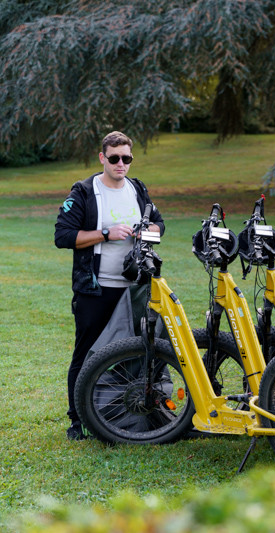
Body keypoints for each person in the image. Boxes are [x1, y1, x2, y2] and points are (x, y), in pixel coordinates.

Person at [55, 131, 165, 440]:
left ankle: (121, 416)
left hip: (136, 288)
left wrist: (148, 230)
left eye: (126, 158)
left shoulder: (137, 189)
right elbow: (63, 236)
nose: (121, 164)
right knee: (87, 354)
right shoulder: (85, 192)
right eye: (114, 158)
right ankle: (77, 420)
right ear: (102, 157)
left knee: (138, 351)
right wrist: (105, 233)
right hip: (96, 288)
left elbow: (160, 224)